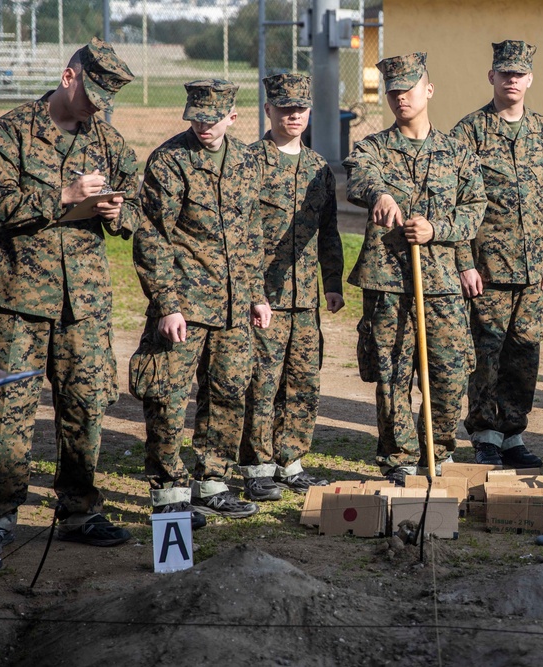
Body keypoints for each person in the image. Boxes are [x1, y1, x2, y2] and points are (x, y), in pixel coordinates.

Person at [0, 37, 136, 549]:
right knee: (9, 411)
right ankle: (2, 515)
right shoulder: (10, 133)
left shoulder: (109, 140)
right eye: (91, 95)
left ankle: (79, 511)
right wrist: (63, 196)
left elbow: (137, 206)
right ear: (67, 76)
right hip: (19, 302)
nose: (96, 109)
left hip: (86, 302)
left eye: (106, 102)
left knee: (85, 404)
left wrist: (120, 214)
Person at [132, 79, 271, 524]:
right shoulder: (170, 161)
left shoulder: (247, 162)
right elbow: (153, 236)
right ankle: (169, 494)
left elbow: (252, 236)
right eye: (196, 118)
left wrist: (256, 295)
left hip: (232, 307)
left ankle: (212, 483)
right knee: (168, 398)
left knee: (229, 393)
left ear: (232, 117)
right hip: (185, 305)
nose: (203, 127)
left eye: (211, 119)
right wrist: (168, 304)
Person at [343, 53, 486, 483]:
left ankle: (437, 451)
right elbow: (359, 176)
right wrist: (381, 195)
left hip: (441, 283)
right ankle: (400, 457)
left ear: (429, 90)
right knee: (391, 377)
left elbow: (474, 209)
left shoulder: (457, 152)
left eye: (408, 88)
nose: (399, 97)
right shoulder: (372, 148)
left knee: (448, 373)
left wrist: (435, 229)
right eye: (392, 91)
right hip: (386, 283)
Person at [450, 40, 543, 468]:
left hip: (534, 271)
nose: (512, 79)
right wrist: (463, 261)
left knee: (524, 354)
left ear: (530, 79)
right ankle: (484, 432)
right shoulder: (467, 134)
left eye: (519, 73)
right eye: (505, 73)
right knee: (486, 354)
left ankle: (512, 434)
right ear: (492, 77)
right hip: (486, 269)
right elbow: (454, 202)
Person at [238, 73, 344, 502]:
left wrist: (333, 282)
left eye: (300, 108)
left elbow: (330, 230)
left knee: (304, 380)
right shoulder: (249, 163)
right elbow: (239, 234)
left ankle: (291, 460)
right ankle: (257, 466)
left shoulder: (319, 167)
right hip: (263, 296)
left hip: (305, 299)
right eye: (284, 108)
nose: (293, 115)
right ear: (268, 111)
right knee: (262, 382)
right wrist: (250, 292)